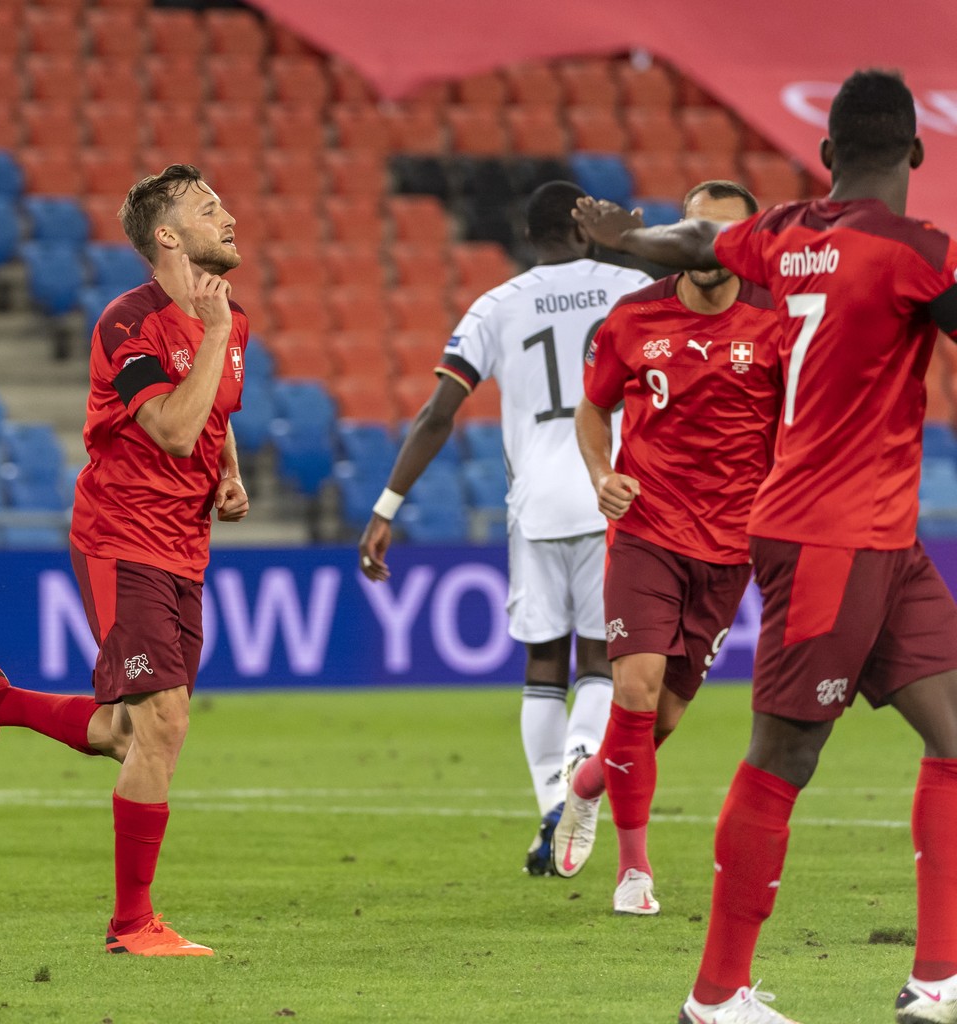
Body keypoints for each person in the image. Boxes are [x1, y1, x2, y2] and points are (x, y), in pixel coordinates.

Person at [574, 69, 957, 1024]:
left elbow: (696, 240)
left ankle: (939, 981)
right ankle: (716, 996)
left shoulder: (784, 234)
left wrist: (627, 239)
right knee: (784, 754)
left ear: (827, 158)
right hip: (831, 534)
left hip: (877, 536)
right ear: (916, 154)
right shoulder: (922, 253)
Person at [0, 164, 249, 957]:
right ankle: (132, 924)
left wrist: (230, 470)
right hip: (120, 538)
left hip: (184, 548)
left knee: (123, 732)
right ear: (167, 235)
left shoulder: (230, 319)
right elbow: (172, 429)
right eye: (210, 209)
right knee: (164, 724)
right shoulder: (127, 323)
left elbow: (210, 416)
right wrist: (209, 341)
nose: (231, 216)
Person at [359, 181, 651, 876]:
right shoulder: (631, 286)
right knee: (601, 659)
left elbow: (438, 414)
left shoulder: (497, 305)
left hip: (538, 505)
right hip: (613, 490)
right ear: (585, 229)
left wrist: (387, 507)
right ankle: (585, 763)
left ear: (529, 239)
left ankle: (554, 803)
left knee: (543, 663)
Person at [556, 180, 783, 917]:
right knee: (635, 691)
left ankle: (588, 782)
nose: (708, 246)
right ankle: (634, 871)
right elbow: (594, 408)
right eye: (697, 229)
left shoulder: (777, 323)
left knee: (666, 720)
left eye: (726, 234)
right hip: (647, 530)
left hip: (730, 547)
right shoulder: (633, 318)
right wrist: (601, 475)